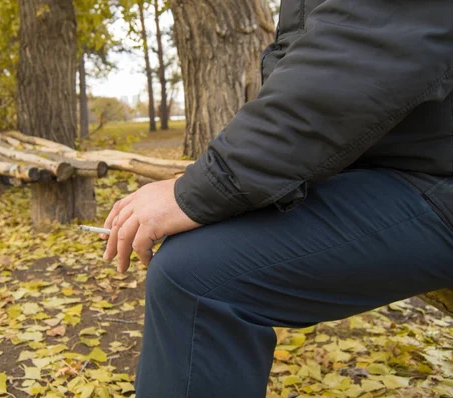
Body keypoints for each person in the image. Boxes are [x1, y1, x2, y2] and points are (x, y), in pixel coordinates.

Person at [101, 1, 453, 397]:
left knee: (195, 278)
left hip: (436, 178)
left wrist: (195, 191)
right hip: (401, 167)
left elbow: (353, 65)